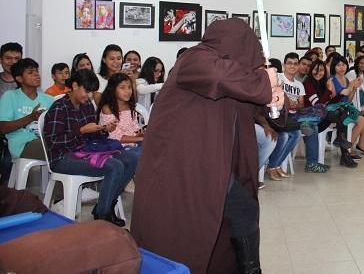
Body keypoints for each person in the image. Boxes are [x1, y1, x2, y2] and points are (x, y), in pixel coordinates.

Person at [131, 19, 282, 274]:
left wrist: (276, 96)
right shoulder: (196, 58)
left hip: (214, 164)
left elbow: (263, 106)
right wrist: (262, 82)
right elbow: (220, 77)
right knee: (189, 226)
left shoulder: (238, 74)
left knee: (238, 212)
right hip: (182, 164)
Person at [43, 69, 138, 227]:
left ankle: (107, 205)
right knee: (114, 166)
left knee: (131, 159)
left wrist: (103, 130)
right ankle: (103, 214)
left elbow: (92, 137)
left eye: (92, 91)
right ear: (74, 85)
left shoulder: (86, 106)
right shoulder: (59, 108)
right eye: (86, 91)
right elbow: (54, 142)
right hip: (63, 157)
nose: (89, 96)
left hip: (86, 150)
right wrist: (81, 131)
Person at [279, 52, 327, 173]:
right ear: (284, 64)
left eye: (295, 63)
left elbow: (301, 104)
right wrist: (286, 101)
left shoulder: (299, 85)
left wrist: (296, 104)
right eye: (289, 63)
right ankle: (312, 163)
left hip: (295, 114)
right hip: (281, 114)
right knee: (312, 125)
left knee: (314, 124)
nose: (292, 66)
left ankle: (311, 164)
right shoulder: (278, 77)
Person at [0, 58, 54, 159]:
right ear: (19, 78)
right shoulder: (10, 96)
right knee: (55, 148)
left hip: (45, 140)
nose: (37, 74)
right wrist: (31, 117)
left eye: (37, 71)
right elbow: (2, 128)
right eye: (30, 72)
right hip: (22, 144)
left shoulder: (49, 99)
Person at [328, 56, 364, 159]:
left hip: (347, 107)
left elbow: (348, 100)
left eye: (343, 65)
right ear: (334, 67)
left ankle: (361, 144)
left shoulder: (346, 80)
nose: (341, 68)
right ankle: (348, 149)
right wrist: (351, 87)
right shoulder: (331, 81)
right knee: (361, 120)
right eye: (338, 65)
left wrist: (354, 88)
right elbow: (334, 100)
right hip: (337, 109)